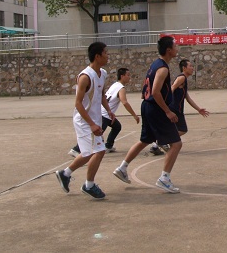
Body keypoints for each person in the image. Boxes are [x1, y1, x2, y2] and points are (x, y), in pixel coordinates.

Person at [112, 36, 183, 193]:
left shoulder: (155, 64)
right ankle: (164, 178)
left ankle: (122, 168)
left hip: (147, 105)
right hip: (156, 108)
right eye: (175, 46)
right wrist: (168, 111)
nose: (177, 48)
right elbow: (156, 92)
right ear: (169, 50)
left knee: (145, 140)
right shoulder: (163, 68)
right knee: (176, 144)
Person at [55, 42, 113, 199]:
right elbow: (78, 103)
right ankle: (89, 185)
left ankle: (65, 174)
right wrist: (92, 124)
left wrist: (108, 111)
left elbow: (101, 95)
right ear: (97, 56)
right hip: (84, 121)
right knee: (97, 151)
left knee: (92, 152)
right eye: (105, 53)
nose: (108, 55)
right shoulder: (85, 77)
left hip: (95, 120)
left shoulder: (103, 73)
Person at [68, 67, 139, 157]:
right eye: (128, 75)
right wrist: (134, 115)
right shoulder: (121, 88)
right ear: (122, 76)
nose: (130, 77)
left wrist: (109, 110)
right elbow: (124, 102)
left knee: (117, 126)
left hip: (106, 113)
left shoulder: (115, 85)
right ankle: (76, 149)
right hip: (104, 115)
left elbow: (103, 96)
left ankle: (108, 146)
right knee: (95, 135)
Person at [170, 58, 210, 139]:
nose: (192, 68)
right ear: (184, 68)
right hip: (174, 109)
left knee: (174, 129)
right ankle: (165, 141)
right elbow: (172, 88)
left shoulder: (184, 80)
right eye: (190, 66)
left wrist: (198, 109)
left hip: (177, 109)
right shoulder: (182, 78)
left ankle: (158, 144)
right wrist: (166, 106)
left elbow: (188, 98)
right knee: (182, 129)